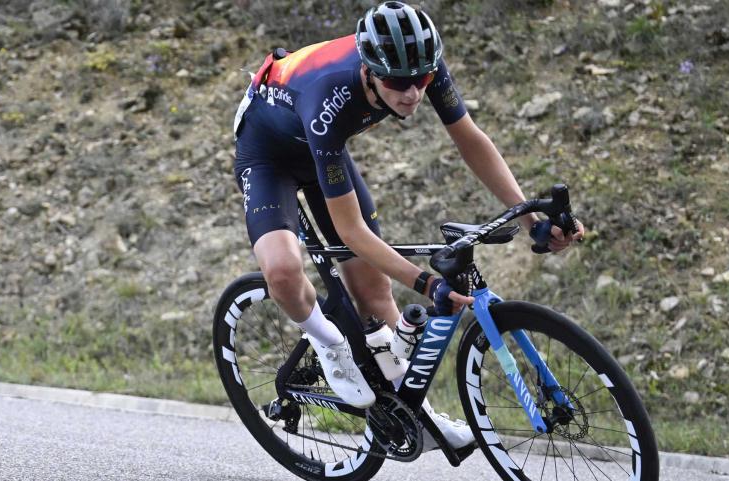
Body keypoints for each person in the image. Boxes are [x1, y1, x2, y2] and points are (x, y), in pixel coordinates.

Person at [232, 1, 585, 450]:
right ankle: (331, 345)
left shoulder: (420, 68)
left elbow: (470, 140)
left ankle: (416, 416)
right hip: (268, 153)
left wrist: (532, 220)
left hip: (325, 151)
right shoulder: (329, 98)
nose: (413, 93)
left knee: (375, 294)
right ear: (368, 72)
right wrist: (425, 283)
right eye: (398, 83)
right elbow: (351, 232)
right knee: (283, 271)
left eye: (421, 81)